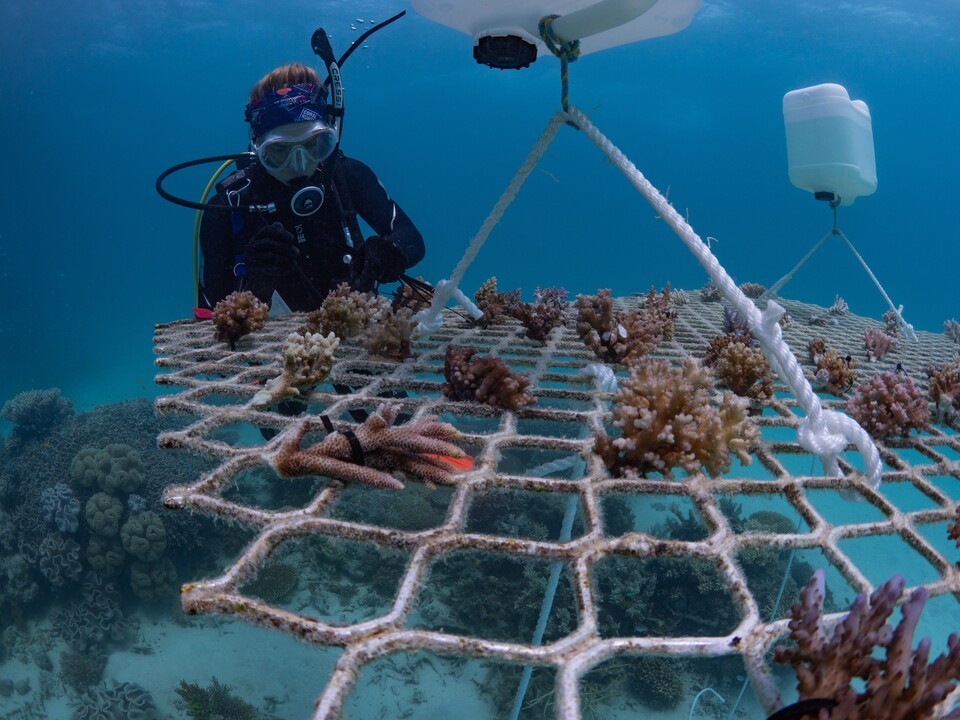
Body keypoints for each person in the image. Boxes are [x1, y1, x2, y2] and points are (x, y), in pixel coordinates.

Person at [199, 63, 424, 311]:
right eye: (279, 151)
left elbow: (410, 237)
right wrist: (256, 283)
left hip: (356, 330)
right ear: (256, 146)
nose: (299, 164)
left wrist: (391, 251)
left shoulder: (347, 176)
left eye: (313, 145)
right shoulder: (227, 207)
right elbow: (210, 305)